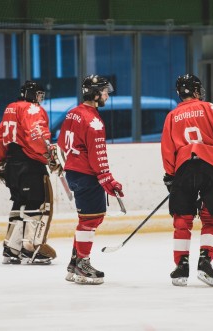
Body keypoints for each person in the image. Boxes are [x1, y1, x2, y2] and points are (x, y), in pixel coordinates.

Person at [161, 74, 213, 287]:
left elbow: (167, 149)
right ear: (197, 91)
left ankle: (181, 265)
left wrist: (171, 175)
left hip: (184, 168)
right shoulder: (209, 108)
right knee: (211, 217)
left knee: (182, 219)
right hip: (211, 167)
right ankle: (205, 262)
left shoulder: (172, 116)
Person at [57, 74, 124, 285]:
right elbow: (98, 155)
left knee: (85, 219)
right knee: (90, 220)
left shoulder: (73, 113)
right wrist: (108, 180)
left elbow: (60, 144)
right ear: (95, 94)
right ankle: (83, 265)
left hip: (73, 173)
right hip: (87, 175)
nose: (106, 95)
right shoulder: (93, 120)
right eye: (104, 91)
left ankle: (74, 263)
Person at [0, 80, 59, 265]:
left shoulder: (10, 108)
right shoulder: (31, 109)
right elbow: (37, 135)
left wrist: (0, 161)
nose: (40, 99)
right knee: (39, 204)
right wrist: (48, 157)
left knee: (20, 203)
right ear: (31, 94)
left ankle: (11, 247)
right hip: (30, 164)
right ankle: (31, 248)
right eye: (38, 95)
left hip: (12, 164)